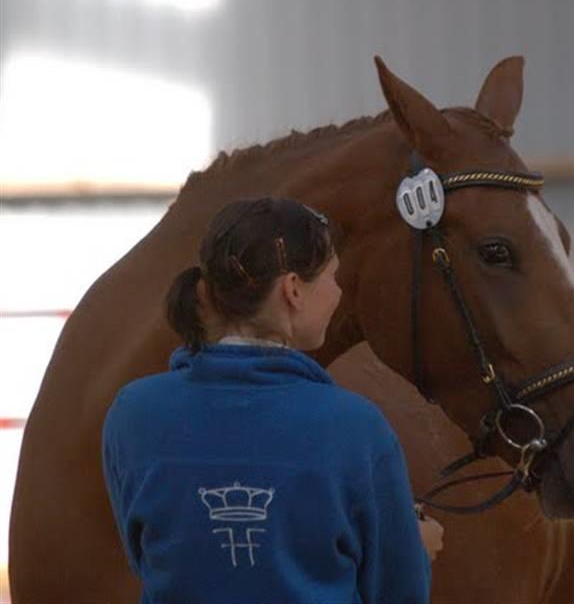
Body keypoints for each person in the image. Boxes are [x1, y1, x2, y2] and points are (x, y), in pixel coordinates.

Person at [102, 197, 444, 604]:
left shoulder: (132, 413)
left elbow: (149, 557)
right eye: (333, 276)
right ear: (293, 289)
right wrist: (417, 548)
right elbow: (398, 593)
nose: (338, 292)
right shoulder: (355, 426)